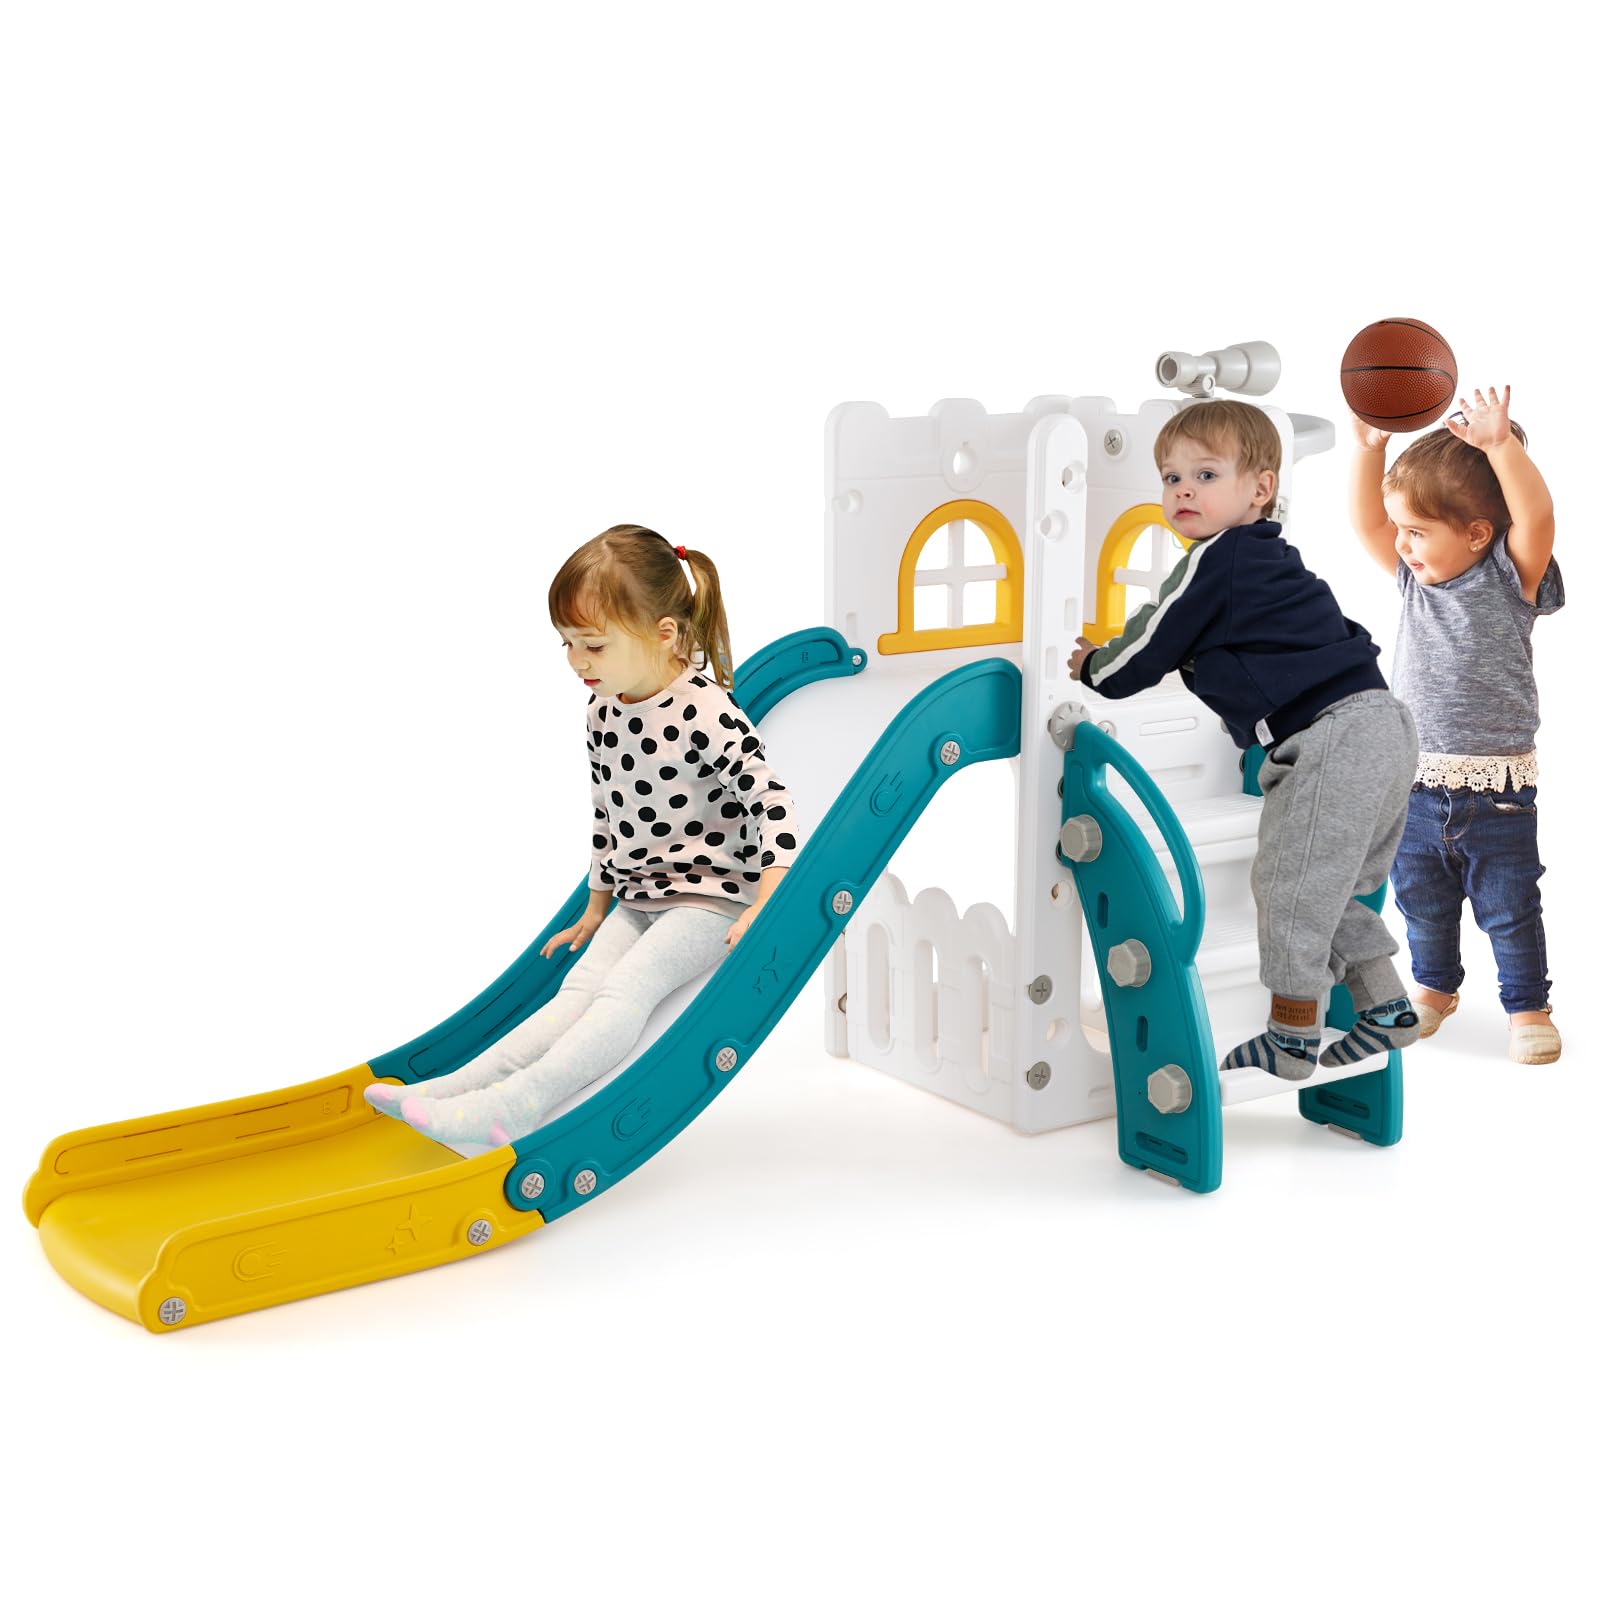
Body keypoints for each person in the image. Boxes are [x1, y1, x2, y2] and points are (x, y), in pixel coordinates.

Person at [366, 524, 798, 1144]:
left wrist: (767, 902)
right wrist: (596, 909)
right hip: (639, 896)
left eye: (593, 645)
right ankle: (451, 1090)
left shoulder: (705, 712)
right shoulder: (603, 708)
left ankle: (517, 1105)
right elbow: (608, 812)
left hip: (710, 900)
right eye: (566, 643)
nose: (576, 661)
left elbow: (771, 800)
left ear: (664, 634)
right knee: (575, 994)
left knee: (624, 991)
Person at [1068, 399, 1419, 1079]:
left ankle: (1291, 1038)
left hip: (1335, 736)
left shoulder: (1217, 559)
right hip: (1385, 726)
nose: (1183, 491)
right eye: (1171, 478)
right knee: (1326, 890)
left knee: (1288, 889)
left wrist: (1094, 666)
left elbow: (1149, 642)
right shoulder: (1269, 560)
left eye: (1205, 475)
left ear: (1260, 488)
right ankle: (1385, 1006)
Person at [1348, 385, 1562, 1064]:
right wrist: (1370, 451)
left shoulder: (1511, 577)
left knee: (1510, 905)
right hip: (1415, 785)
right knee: (1421, 900)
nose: (1402, 545)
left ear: (1476, 534)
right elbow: (1367, 524)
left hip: (1496, 791)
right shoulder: (1415, 581)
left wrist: (1500, 447)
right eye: (1401, 530)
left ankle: (1528, 1007)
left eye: (1417, 532)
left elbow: (1536, 516)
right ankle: (1435, 989)